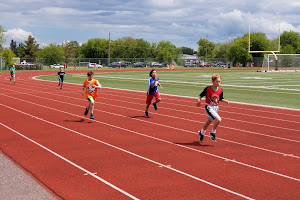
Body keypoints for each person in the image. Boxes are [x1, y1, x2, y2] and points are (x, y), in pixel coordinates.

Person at [197, 74, 229, 142]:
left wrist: (225, 101)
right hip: (209, 107)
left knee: (209, 121)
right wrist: (199, 101)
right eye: (217, 81)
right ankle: (212, 132)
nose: (218, 83)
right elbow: (200, 95)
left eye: (219, 81)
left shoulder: (220, 90)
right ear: (212, 81)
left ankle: (201, 133)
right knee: (218, 119)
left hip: (216, 108)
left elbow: (220, 98)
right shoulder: (208, 89)